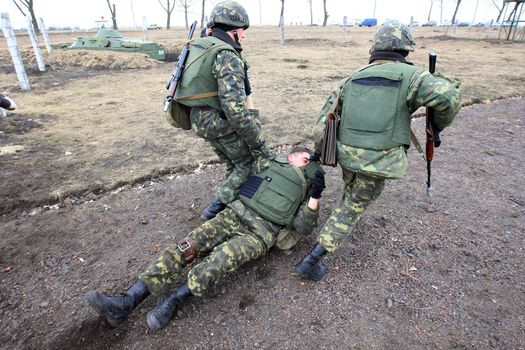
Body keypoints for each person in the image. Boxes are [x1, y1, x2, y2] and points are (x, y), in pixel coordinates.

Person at [87, 147, 326, 331]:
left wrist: (314, 196)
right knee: (186, 247)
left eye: (310, 162)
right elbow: (251, 139)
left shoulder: (308, 188)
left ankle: (174, 299)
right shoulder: (268, 162)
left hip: (259, 233)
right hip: (233, 214)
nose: (308, 165)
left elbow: (303, 228)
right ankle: (128, 300)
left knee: (220, 260)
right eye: (305, 160)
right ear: (289, 157)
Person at [295, 21, 462, 281]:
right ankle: (313, 259)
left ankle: (340, 214)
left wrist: (320, 151)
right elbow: (448, 99)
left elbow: (324, 119)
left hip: (347, 154)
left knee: (352, 191)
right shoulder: (415, 77)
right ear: (406, 48)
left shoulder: (352, 77)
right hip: (379, 159)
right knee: (354, 204)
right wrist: (436, 128)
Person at [174, 1, 272, 221]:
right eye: (242, 32)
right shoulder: (226, 56)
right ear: (233, 31)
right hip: (218, 123)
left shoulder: (202, 45)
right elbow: (235, 109)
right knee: (246, 165)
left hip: (199, 120)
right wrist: (259, 144)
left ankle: (231, 200)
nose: (244, 37)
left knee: (232, 164)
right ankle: (215, 211)